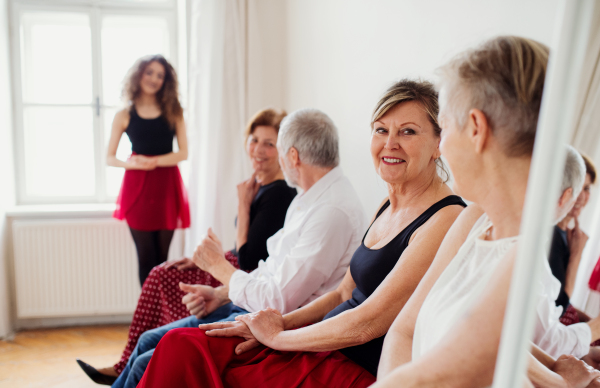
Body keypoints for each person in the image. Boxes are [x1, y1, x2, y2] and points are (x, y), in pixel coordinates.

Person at [137, 80, 467, 388]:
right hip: (317, 342)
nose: (390, 143)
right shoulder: (387, 204)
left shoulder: (445, 217)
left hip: (351, 364)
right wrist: (280, 324)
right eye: (381, 130)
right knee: (179, 344)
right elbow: (342, 295)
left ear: (439, 143)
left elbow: (368, 321)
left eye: (408, 131)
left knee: (190, 354)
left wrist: (278, 338)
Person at [373, 36, 600, 388]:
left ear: (476, 128)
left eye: (444, 128)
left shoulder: (520, 258)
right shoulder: (478, 223)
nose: (442, 147)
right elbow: (407, 331)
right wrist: (557, 375)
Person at [111, 108, 368, 388]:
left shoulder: (330, 211)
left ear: (292, 156)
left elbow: (278, 300)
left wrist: (218, 267)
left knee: (145, 361)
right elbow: (272, 268)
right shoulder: (309, 197)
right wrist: (222, 293)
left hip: (282, 320)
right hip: (261, 307)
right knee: (148, 340)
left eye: (276, 148)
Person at [76, 108, 296, 385]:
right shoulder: (258, 186)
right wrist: (204, 259)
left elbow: (250, 257)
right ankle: (127, 366)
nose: (258, 149)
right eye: (254, 140)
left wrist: (242, 206)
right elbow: (252, 246)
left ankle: (130, 367)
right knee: (162, 271)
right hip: (238, 265)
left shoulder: (278, 193)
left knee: (161, 276)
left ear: (285, 150)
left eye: (269, 143)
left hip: (245, 274)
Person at [107, 54, 190, 286]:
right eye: (149, 72)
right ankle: (148, 320)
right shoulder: (124, 114)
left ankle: (159, 317)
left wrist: (155, 162)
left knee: (162, 260)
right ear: (139, 75)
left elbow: (183, 153)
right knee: (145, 258)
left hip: (166, 186)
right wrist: (132, 163)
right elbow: (109, 157)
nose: (154, 79)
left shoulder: (175, 112)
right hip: (137, 189)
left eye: (160, 75)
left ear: (166, 81)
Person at [554, 154, 596, 324]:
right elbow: (559, 306)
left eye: (587, 188)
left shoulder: (566, 235)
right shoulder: (552, 236)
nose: (581, 197)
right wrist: (576, 256)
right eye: (578, 187)